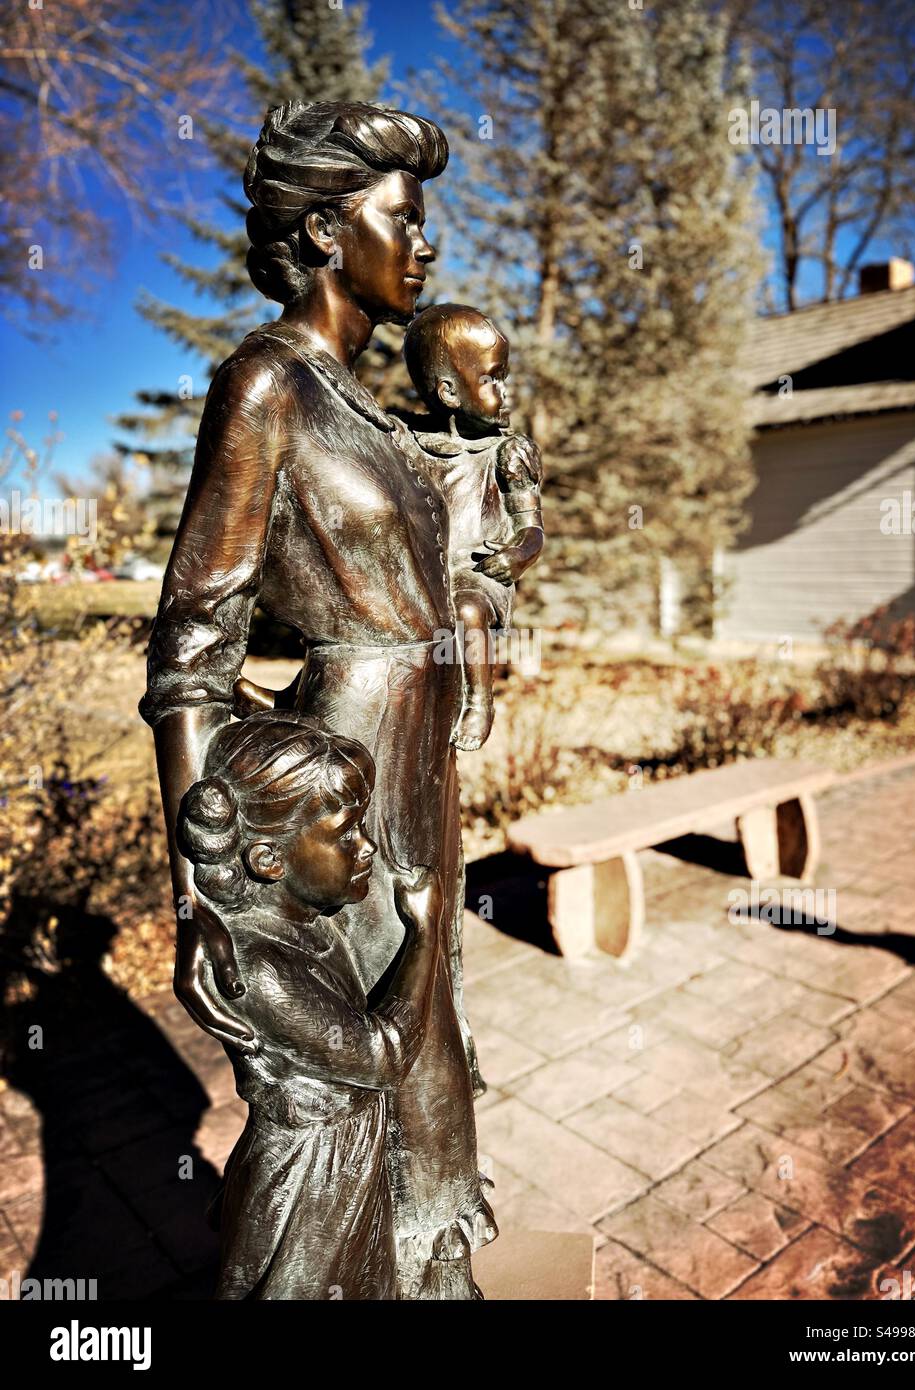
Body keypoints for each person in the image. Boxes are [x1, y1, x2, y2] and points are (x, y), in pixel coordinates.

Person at [140, 100, 495, 1299]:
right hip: (336, 785)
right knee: (352, 1082)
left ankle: (411, 1271)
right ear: (331, 233)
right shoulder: (264, 387)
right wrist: (212, 891)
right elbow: (193, 647)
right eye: (405, 219)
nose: (426, 244)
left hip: (418, 765)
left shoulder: (372, 414)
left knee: (421, 1036)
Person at [177, 710, 440, 1300]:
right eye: (345, 832)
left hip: (344, 1159)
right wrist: (426, 933)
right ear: (270, 860)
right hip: (309, 1178)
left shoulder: (313, 924)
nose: (366, 845)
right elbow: (383, 1055)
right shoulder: (260, 971)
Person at [398, 304, 544, 750]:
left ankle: (479, 701)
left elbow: (532, 529)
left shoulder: (506, 453)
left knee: (464, 610)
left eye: (505, 376)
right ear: (448, 391)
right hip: (422, 573)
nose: (507, 390)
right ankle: (299, 690)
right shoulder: (406, 442)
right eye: (492, 378)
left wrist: (517, 555)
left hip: (479, 576)